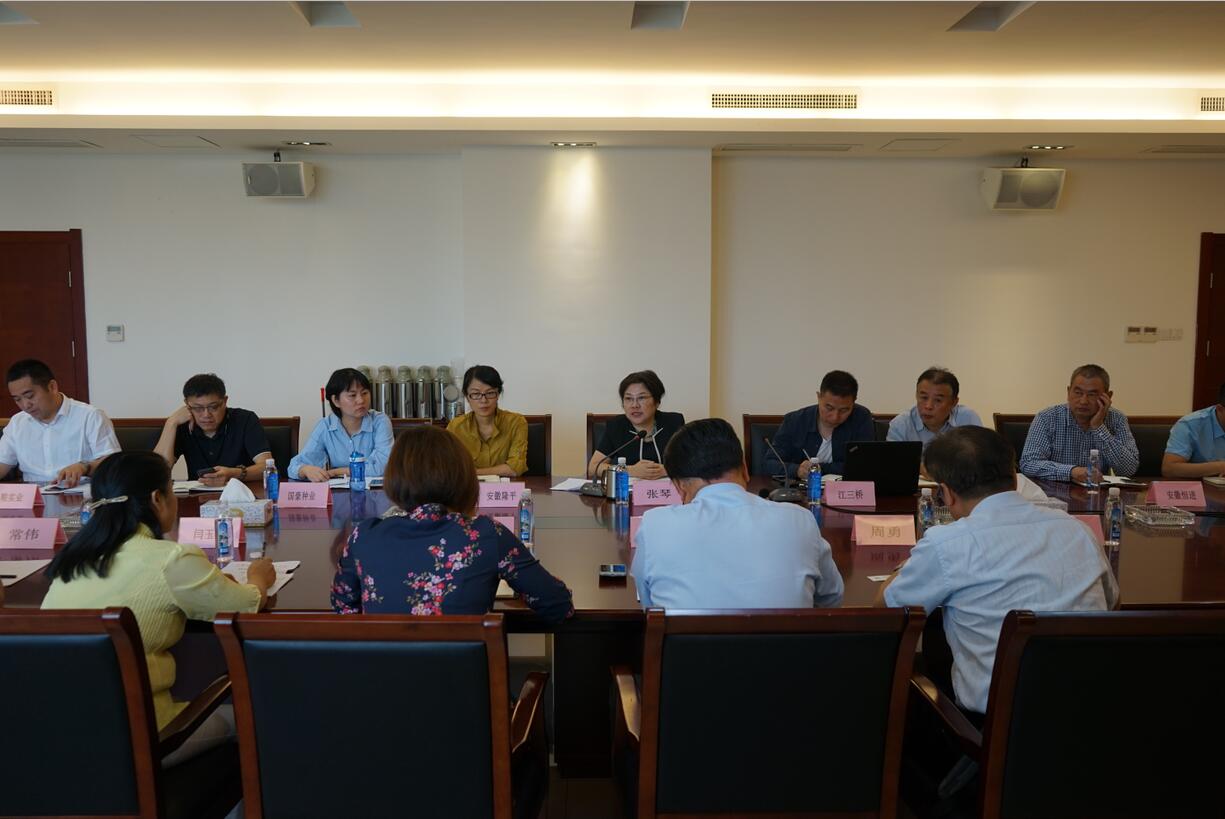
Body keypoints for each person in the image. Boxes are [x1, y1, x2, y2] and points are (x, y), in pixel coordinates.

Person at [41, 451, 275, 764]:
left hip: (59, 737)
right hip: (146, 736)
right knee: (255, 717)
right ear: (157, 498)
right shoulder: (171, 559)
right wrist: (259, 577)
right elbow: (247, 605)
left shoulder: (72, 560)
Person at [876, 426, 1117, 716]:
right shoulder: (1076, 530)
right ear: (1015, 479)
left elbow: (886, 611)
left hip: (996, 724)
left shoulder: (946, 544)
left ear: (946, 494)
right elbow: (1112, 603)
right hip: (1092, 713)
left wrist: (907, 564)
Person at [331, 424, 572, 622]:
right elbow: (558, 606)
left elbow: (344, 609)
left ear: (395, 478)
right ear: (463, 476)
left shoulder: (364, 536)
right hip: (464, 669)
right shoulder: (486, 535)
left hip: (382, 668)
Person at [631, 418, 843, 609]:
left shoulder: (655, 525)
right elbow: (832, 598)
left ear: (679, 486)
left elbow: (649, 604)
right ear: (744, 468)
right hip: (786, 642)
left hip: (689, 642)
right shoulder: (800, 520)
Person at [0, 359, 120, 487]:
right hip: (33, 495)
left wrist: (84, 467)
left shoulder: (90, 416)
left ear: (52, 387)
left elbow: (114, 465)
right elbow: (2, 464)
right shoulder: (17, 423)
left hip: (79, 493)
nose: (25, 405)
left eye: (30, 396)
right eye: (17, 399)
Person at [1019, 364, 1139, 481]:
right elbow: (1029, 463)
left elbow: (1128, 470)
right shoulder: (1047, 418)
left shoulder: (1117, 419)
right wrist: (1072, 472)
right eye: (1078, 393)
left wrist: (1099, 427)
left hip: (1096, 492)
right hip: (1054, 491)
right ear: (1068, 392)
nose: (1083, 401)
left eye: (1092, 394)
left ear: (1108, 396)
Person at [153, 373, 274, 487]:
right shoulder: (182, 424)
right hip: (196, 496)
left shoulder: (245, 419)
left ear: (225, 401)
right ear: (187, 404)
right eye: (198, 408)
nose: (206, 415)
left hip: (240, 494)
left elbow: (267, 467)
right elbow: (156, 472)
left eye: (213, 407)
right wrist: (171, 422)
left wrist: (233, 474)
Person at [289, 367, 394, 482]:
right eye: (352, 395)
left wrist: (337, 472)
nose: (361, 400)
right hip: (339, 491)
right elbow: (294, 467)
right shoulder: (326, 426)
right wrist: (305, 469)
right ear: (336, 400)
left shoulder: (380, 422)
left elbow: (384, 467)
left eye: (364, 393)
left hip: (374, 491)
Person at [765, 369, 874, 478]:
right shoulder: (795, 421)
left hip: (845, 487)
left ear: (853, 402)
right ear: (819, 397)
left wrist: (818, 468)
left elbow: (864, 465)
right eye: (829, 408)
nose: (835, 417)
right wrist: (796, 470)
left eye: (844, 410)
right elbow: (769, 463)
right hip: (800, 487)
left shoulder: (861, 418)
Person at [587, 370, 685, 480]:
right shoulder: (616, 426)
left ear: (657, 402)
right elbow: (593, 467)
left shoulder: (673, 422)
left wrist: (667, 470)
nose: (634, 405)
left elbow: (692, 463)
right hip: (628, 490)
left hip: (667, 489)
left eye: (641, 398)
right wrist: (630, 470)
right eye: (628, 398)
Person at [446, 365, 528, 477]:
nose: (484, 400)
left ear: (498, 394)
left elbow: (515, 468)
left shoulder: (516, 422)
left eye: (490, 393)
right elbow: (448, 466)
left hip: (502, 487)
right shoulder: (455, 427)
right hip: (467, 486)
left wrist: (473, 473)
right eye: (476, 394)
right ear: (467, 396)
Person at [886, 366, 982, 450]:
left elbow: (981, 459)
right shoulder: (901, 425)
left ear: (953, 402)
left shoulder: (968, 419)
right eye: (924, 397)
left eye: (938, 400)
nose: (928, 406)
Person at [1162, 381, 1225, 478]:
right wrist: (1221, 467)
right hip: (1201, 486)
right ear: (1220, 409)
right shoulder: (1190, 424)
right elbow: (1169, 469)